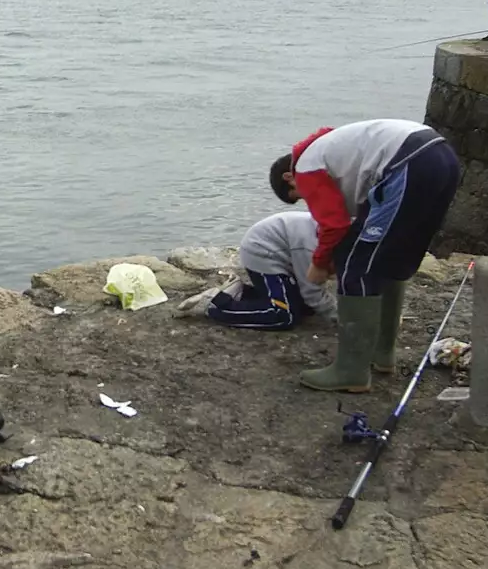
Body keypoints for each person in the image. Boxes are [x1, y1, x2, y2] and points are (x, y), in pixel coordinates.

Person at [269, 119, 462, 393]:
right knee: (391, 257)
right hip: (441, 156)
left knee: (354, 265)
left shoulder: (305, 168)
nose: (307, 201)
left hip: (407, 163)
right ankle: (382, 354)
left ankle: (351, 371)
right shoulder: (330, 151)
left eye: (298, 196)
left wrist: (320, 264)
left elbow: (334, 225)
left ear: (289, 178)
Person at [173, 210, 337, 329]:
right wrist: (342, 319)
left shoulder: (335, 233)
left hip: (279, 251)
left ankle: (241, 292)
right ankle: (215, 303)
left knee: (304, 308)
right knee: (283, 316)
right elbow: (311, 289)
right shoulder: (310, 247)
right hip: (263, 255)